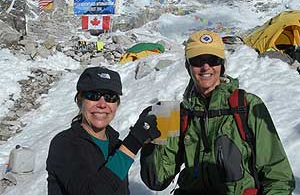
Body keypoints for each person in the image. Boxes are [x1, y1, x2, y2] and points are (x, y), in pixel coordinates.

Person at [140, 30, 295, 195]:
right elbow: (158, 180)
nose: (205, 66)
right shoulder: (176, 114)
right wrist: (152, 142)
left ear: (222, 65)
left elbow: (278, 177)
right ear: (188, 66)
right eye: (197, 60)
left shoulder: (247, 105)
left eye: (212, 60)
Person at [46, 66, 160, 195]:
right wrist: (133, 142)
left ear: (117, 104)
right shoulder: (64, 144)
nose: (102, 104)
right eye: (93, 95)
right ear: (80, 100)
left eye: (110, 97)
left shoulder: (116, 145)